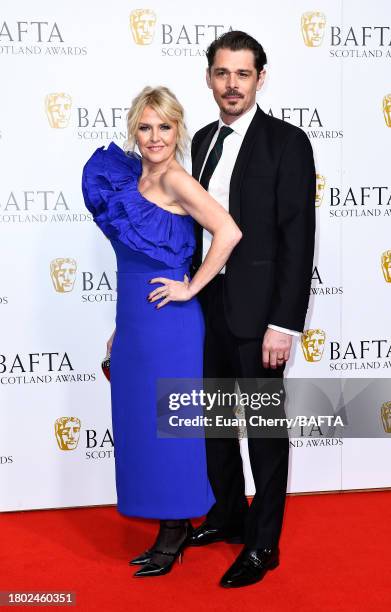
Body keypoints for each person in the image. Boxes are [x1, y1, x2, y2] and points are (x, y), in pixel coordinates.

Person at [81, 86, 241, 578]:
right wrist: (118, 328)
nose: (154, 137)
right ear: (135, 129)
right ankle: (165, 525)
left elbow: (228, 232)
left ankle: (174, 532)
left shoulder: (175, 180)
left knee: (170, 431)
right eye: (146, 127)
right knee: (139, 427)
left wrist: (190, 287)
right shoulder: (130, 178)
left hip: (170, 328)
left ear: (178, 130)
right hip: (133, 324)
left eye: (164, 127)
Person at [188, 31, 316, 588]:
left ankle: (265, 544)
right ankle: (229, 516)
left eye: (242, 73)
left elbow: (298, 238)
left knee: (263, 432)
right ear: (210, 78)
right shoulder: (197, 141)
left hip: (260, 315)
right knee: (216, 423)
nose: (231, 84)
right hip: (206, 309)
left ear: (260, 78)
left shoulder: (287, 142)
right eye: (222, 73)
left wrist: (284, 323)